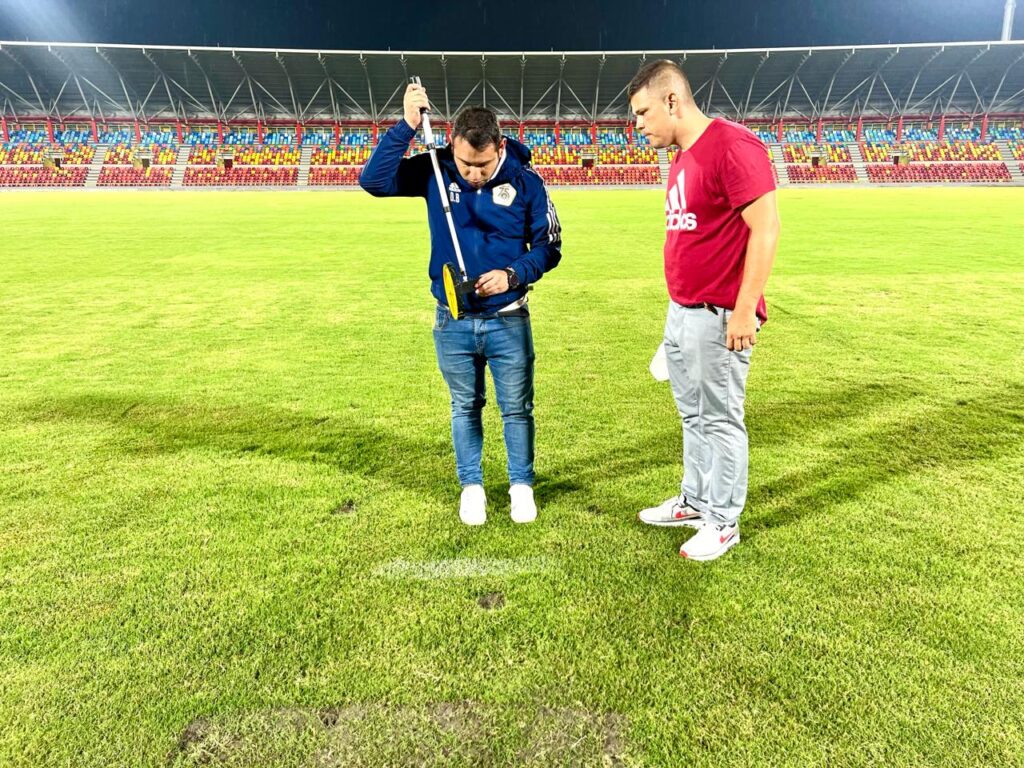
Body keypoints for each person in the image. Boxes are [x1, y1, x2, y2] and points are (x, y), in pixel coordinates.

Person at [359, 83, 562, 526]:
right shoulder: (437, 168)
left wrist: (512, 274)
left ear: (500, 148)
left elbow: (550, 247)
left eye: (482, 165)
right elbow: (372, 181)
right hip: (452, 319)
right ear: (452, 145)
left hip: (508, 319)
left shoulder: (527, 182)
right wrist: (406, 125)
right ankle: (472, 487)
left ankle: (521, 486)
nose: (473, 173)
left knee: (517, 409)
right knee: (464, 407)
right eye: (466, 163)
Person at [628, 60, 780, 561]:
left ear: (672, 101)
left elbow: (766, 228)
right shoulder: (681, 156)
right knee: (692, 416)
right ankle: (695, 501)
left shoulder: (732, 145)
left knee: (720, 419)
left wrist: (743, 310)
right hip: (683, 312)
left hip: (719, 315)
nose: (638, 125)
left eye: (643, 112)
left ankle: (723, 521)